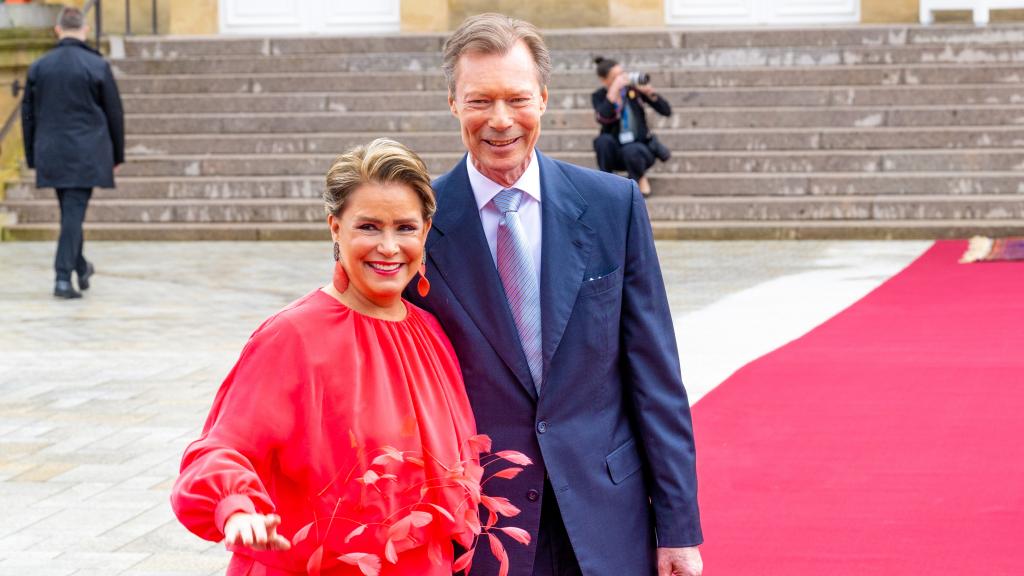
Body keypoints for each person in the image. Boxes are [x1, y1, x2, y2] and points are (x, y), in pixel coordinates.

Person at [404, 13, 703, 576]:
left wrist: (679, 529)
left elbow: (656, 378)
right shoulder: (418, 224)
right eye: (478, 101)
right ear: (452, 103)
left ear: (543, 98)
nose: (499, 121)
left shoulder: (614, 205)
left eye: (516, 99)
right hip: (480, 525)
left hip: (608, 515)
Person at [171, 139, 523, 575]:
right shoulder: (292, 336)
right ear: (335, 228)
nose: (390, 247)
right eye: (369, 227)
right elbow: (219, 450)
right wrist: (238, 509)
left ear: (427, 231)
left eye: (405, 228)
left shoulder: (432, 332)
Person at [21, 7, 124, 299]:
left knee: (70, 213)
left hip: (51, 152)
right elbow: (114, 113)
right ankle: (63, 277)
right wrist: (116, 155)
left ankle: (80, 266)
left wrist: (32, 156)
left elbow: (28, 117)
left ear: (58, 29)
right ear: (85, 29)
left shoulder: (39, 66)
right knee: (72, 214)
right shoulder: (96, 65)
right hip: (87, 153)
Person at [591, 55, 672, 196]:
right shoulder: (599, 96)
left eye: (623, 73)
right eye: (616, 77)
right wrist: (613, 91)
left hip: (639, 149)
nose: (622, 78)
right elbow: (603, 117)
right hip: (615, 150)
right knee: (602, 141)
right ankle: (607, 181)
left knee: (632, 150)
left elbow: (666, 111)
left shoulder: (634, 91)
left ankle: (638, 178)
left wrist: (650, 93)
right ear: (604, 81)